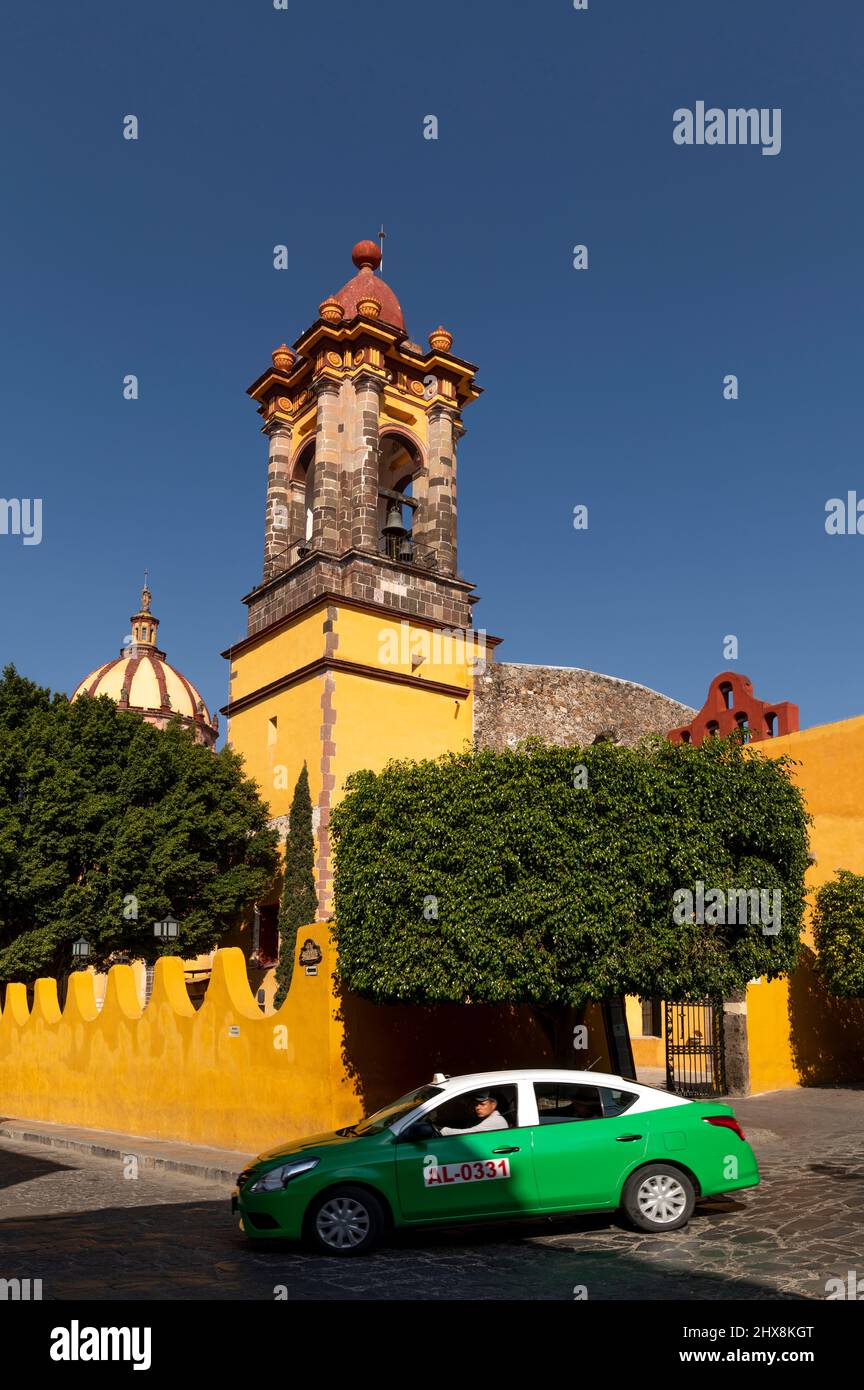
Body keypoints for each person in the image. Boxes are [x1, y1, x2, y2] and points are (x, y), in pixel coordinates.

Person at [439, 1090, 509, 1135]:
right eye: (476, 1104)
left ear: (493, 1104)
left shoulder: (495, 1120)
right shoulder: (485, 1118)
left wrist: (443, 1130)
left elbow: (467, 1134)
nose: (477, 1108)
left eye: (482, 1104)